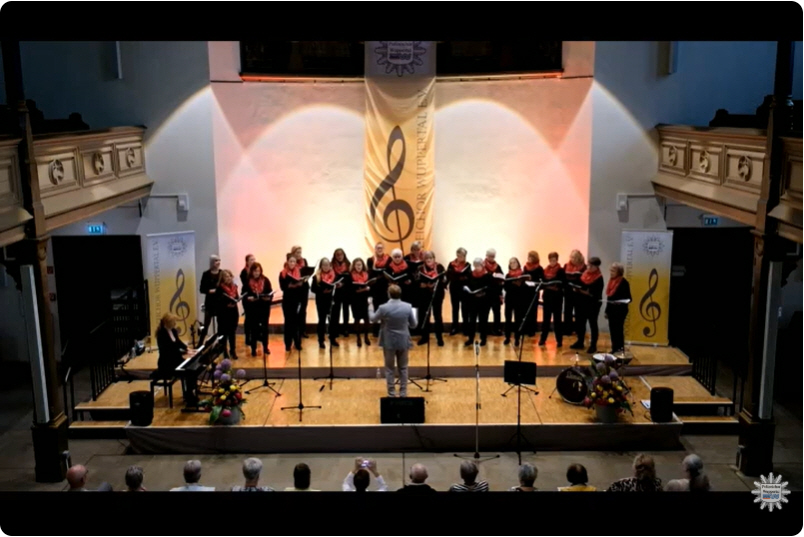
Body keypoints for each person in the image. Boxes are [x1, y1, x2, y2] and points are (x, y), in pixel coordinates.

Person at [369, 284, 417, 397]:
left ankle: (391, 393)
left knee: (389, 369)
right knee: (403, 368)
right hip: (403, 340)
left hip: (389, 341)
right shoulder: (407, 306)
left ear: (389, 294)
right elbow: (414, 325)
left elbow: (373, 319)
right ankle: (403, 392)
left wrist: (370, 307)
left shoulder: (383, 308)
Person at [570, 257, 604, 354]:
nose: (589, 267)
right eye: (588, 265)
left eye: (591, 266)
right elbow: (580, 284)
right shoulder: (584, 274)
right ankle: (580, 341)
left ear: (596, 267)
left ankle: (593, 345)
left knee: (593, 324)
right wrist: (576, 288)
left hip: (592, 304)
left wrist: (584, 291)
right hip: (581, 302)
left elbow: (595, 293)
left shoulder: (599, 278)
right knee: (580, 323)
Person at [311, 258, 343, 349]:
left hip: (331, 300)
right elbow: (313, 289)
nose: (326, 267)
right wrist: (322, 290)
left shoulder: (334, 275)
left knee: (332, 320)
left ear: (330, 265)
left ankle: (333, 338)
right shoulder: (316, 276)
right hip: (321, 300)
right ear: (321, 266)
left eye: (327, 265)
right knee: (322, 320)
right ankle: (321, 340)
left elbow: (337, 285)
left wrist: (339, 286)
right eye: (324, 265)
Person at [416, 251, 446, 347]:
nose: (429, 260)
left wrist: (439, 282)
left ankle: (439, 338)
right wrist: (423, 285)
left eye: (431, 258)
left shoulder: (440, 267)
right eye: (427, 258)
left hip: (437, 295)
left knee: (438, 316)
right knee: (425, 315)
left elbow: (444, 280)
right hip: (424, 295)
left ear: (434, 258)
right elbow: (416, 281)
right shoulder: (420, 268)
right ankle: (424, 337)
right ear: (424, 259)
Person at [243, 262, 273, 357]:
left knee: (265, 328)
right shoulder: (247, 281)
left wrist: (268, 298)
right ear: (252, 271)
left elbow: (270, 292)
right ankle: (253, 349)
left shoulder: (265, 280)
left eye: (258, 271)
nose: (257, 273)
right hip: (253, 309)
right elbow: (244, 295)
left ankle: (265, 347)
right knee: (254, 329)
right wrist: (248, 298)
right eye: (255, 271)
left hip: (264, 308)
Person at [464, 258, 494, 347]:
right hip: (473, 301)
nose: (477, 268)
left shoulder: (488, 276)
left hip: (484, 302)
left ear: (482, 265)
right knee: (472, 321)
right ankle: (470, 338)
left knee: (483, 321)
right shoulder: (470, 275)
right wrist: (470, 292)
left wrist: (484, 293)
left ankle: (483, 338)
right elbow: (467, 286)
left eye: (478, 266)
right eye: (475, 266)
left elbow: (491, 289)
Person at [279, 257, 305, 352]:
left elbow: (303, 288)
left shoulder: (299, 272)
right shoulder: (283, 273)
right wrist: (290, 286)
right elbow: (282, 287)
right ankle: (288, 344)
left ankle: (297, 343)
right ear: (287, 262)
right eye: (290, 261)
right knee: (288, 322)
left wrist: (300, 284)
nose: (292, 263)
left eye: (294, 261)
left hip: (297, 300)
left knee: (296, 322)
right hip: (287, 300)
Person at [605, 262, 632, 354]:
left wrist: (619, 302)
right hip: (611, 310)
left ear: (619, 272)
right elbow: (609, 297)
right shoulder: (611, 281)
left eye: (613, 271)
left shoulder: (624, 283)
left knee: (618, 330)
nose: (611, 272)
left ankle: (620, 349)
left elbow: (629, 298)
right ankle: (614, 348)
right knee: (612, 330)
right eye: (611, 270)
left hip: (620, 311)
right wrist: (606, 311)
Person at [539, 252, 565, 347]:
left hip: (557, 297)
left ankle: (559, 340)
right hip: (547, 296)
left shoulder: (561, 270)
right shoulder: (545, 270)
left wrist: (556, 285)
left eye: (554, 260)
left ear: (557, 260)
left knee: (557, 320)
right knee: (546, 319)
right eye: (551, 260)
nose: (552, 262)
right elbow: (542, 282)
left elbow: (563, 283)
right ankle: (543, 339)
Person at [367, 242, 391, 336]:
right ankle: (376, 330)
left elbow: (389, 271)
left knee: (385, 308)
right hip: (375, 288)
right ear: (375, 249)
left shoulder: (388, 259)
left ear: (383, 249)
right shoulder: (370, 260)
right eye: (378, 248)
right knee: (376, 308)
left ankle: (385, 329)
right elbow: (369, 273)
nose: (379, 249)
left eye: (381, 248)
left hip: (384, 287)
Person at [216, 270, 240, 359]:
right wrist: (226, 304)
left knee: (232, 333)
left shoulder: (234, 287)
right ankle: (224, 351)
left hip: (233, 312)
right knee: (224, 334)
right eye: (226, 276)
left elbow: (236, 297)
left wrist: (236, 300)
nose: (229, 278)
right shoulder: (220, 288)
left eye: (230, 276)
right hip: (223, 314)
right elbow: (218, 301)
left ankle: (233, 350)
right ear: (222, 278)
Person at [503, 257, 528, 346]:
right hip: (509, 299)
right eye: (511, 263)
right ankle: (507, 337)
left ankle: (517, 338)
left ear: (518, 263)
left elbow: (525, 288)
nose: (513, 264)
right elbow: (505, 288)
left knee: (518, 319)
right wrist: (513, 284)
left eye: (514, 262)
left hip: (519, 300)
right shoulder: (508, 275)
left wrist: (519, 284)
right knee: (508, 319)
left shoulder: (523, 274)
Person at [198, 255, 221, 346]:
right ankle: (200, 344)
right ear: (212, 262)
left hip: (219, 302)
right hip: (210, 303)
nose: (218, 262)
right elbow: (202, 289)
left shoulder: (222, 273)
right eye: (216, 261)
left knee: (221, 325)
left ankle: (221, 344)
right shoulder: (206, 274)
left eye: (219, 260)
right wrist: (209, 291)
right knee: (206, 324)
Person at [446, 247, 471, 336]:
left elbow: (469, 277)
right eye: (460, 255)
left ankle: (465, 328)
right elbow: (448, 275)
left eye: (463, 256)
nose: (461, 257)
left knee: (465, 309)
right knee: (455, 308)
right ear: (457, 255)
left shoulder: (467, 265)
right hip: (454, 288)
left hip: (463, 289)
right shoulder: (451, 264)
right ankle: (454, 327)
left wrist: (462, 278)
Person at [349, 258, 372, 348]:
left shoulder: (366, 274)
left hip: (364, 300)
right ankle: (358, 337)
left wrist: (367, 290)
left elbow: (369, 286)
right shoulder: (350, 275)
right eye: (357, 265)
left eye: (360, 265)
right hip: (355, 300)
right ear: (354, 266)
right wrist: (363, 289)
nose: (359, 266)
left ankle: (366, 337)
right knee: (357, 319)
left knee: (366, 319)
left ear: (363, 265)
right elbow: (351, 290)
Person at [563, 250, 587, 337]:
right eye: (571, 257)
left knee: (578, 312)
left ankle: (578, 330)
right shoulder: (566, 266)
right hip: (568, 291)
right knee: (567, 311)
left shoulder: (583, 267)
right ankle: (567, 329)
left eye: (574, 257)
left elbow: (585, 279)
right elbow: (563, 277)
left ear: (578, 258)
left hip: (578, 293)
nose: (572, 259)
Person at [289, 246, 311, 339]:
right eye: (297, 252)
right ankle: (296, 330)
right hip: (295, 289)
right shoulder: (291, 262)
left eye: (300, 252)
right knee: (295, 310)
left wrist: (307, 276)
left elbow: (307, 272)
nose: (299, 254)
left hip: (304, 287)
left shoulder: (304, 261)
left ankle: (303, 330)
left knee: (303, 309)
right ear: (293, 253)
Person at [522, 251, 544, 337]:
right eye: (528, 257)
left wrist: (534, 282)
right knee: (525, 310)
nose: (529, 258)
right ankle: (525, 328)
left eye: (531, 257)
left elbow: (541, 281)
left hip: (534, 291)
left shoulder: (539, 268)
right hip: (525, 291)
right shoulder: (525, 267)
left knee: (533, 311)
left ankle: (532, 329)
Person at [484, 249, 505, 335]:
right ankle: (484, 329)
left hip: (495, 293)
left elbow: (502, 277)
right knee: (485, 312)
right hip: (485, 293)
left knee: (497, 312)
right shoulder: (482, 265)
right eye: (490, 256)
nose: (491, 258)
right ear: (486, 256)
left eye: (493, 256)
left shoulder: (497, 266)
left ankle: (497, 329)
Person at [331, 248, 352, 336]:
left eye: (341, 254)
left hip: (346, 290)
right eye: (337, 255)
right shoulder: (331, 265)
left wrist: (343, 283)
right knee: (336, 310)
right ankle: (335, 329)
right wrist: (335, 283)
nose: (339, 256)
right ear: (335, 256)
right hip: (336, 291)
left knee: (345, 310)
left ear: (344, 255)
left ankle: (345, 328)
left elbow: (351, 278)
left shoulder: (348, 264)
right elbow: (330, 277)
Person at [240, 254, 256, 346]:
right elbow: (246, 284)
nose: (253, 261)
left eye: (254, 259)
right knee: (248, 318)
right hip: (247, 296)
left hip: (254, 297)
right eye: (251, 260)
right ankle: (247, 337)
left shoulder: (256, 270)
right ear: (247, 262)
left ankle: (254, 336)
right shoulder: (244, 272)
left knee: (254, 318)